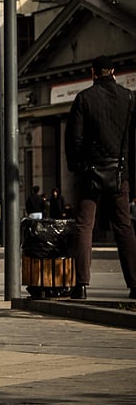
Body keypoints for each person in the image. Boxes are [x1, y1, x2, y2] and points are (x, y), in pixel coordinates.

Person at [64, 55, 136, 300]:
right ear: (113, 71)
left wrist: (78, 167)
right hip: (119, 173)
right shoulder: (128, 98)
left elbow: (74, 139)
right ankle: (134, 283)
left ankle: (81, 284)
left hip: (90, 174)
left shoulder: (84, 98)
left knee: (85, 226)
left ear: (93, 72)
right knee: (124, 227)